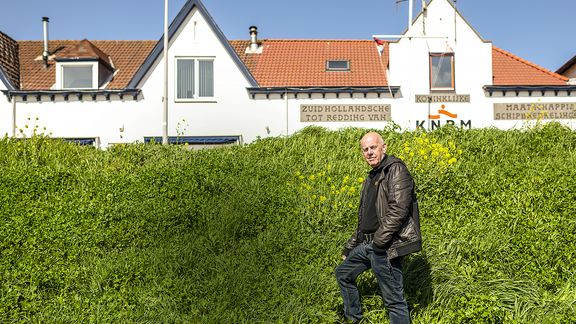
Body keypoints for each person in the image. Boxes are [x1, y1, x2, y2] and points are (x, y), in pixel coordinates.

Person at [335, 131, 422, 324]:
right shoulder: (371, 177)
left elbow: (399, 209)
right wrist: (350, 246)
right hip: (367, 245)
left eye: (373, 147)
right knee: (343, 273)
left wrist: (379, 243)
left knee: (394, 301)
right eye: (365, 149)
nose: (369, 152)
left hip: (385, 246)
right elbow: (364, 219)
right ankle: (355, 319)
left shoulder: (395, 169)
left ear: (384, 147)